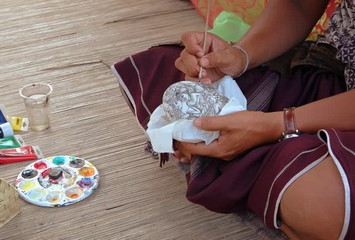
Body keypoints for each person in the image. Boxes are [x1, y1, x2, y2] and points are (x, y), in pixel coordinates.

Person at [111, 0, 355, 239]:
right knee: (156, 67)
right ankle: (260, 164)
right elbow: (297, 5)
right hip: (334, 75)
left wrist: (276, 124)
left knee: (322, 202)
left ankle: (242, 159)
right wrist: (239, 56)